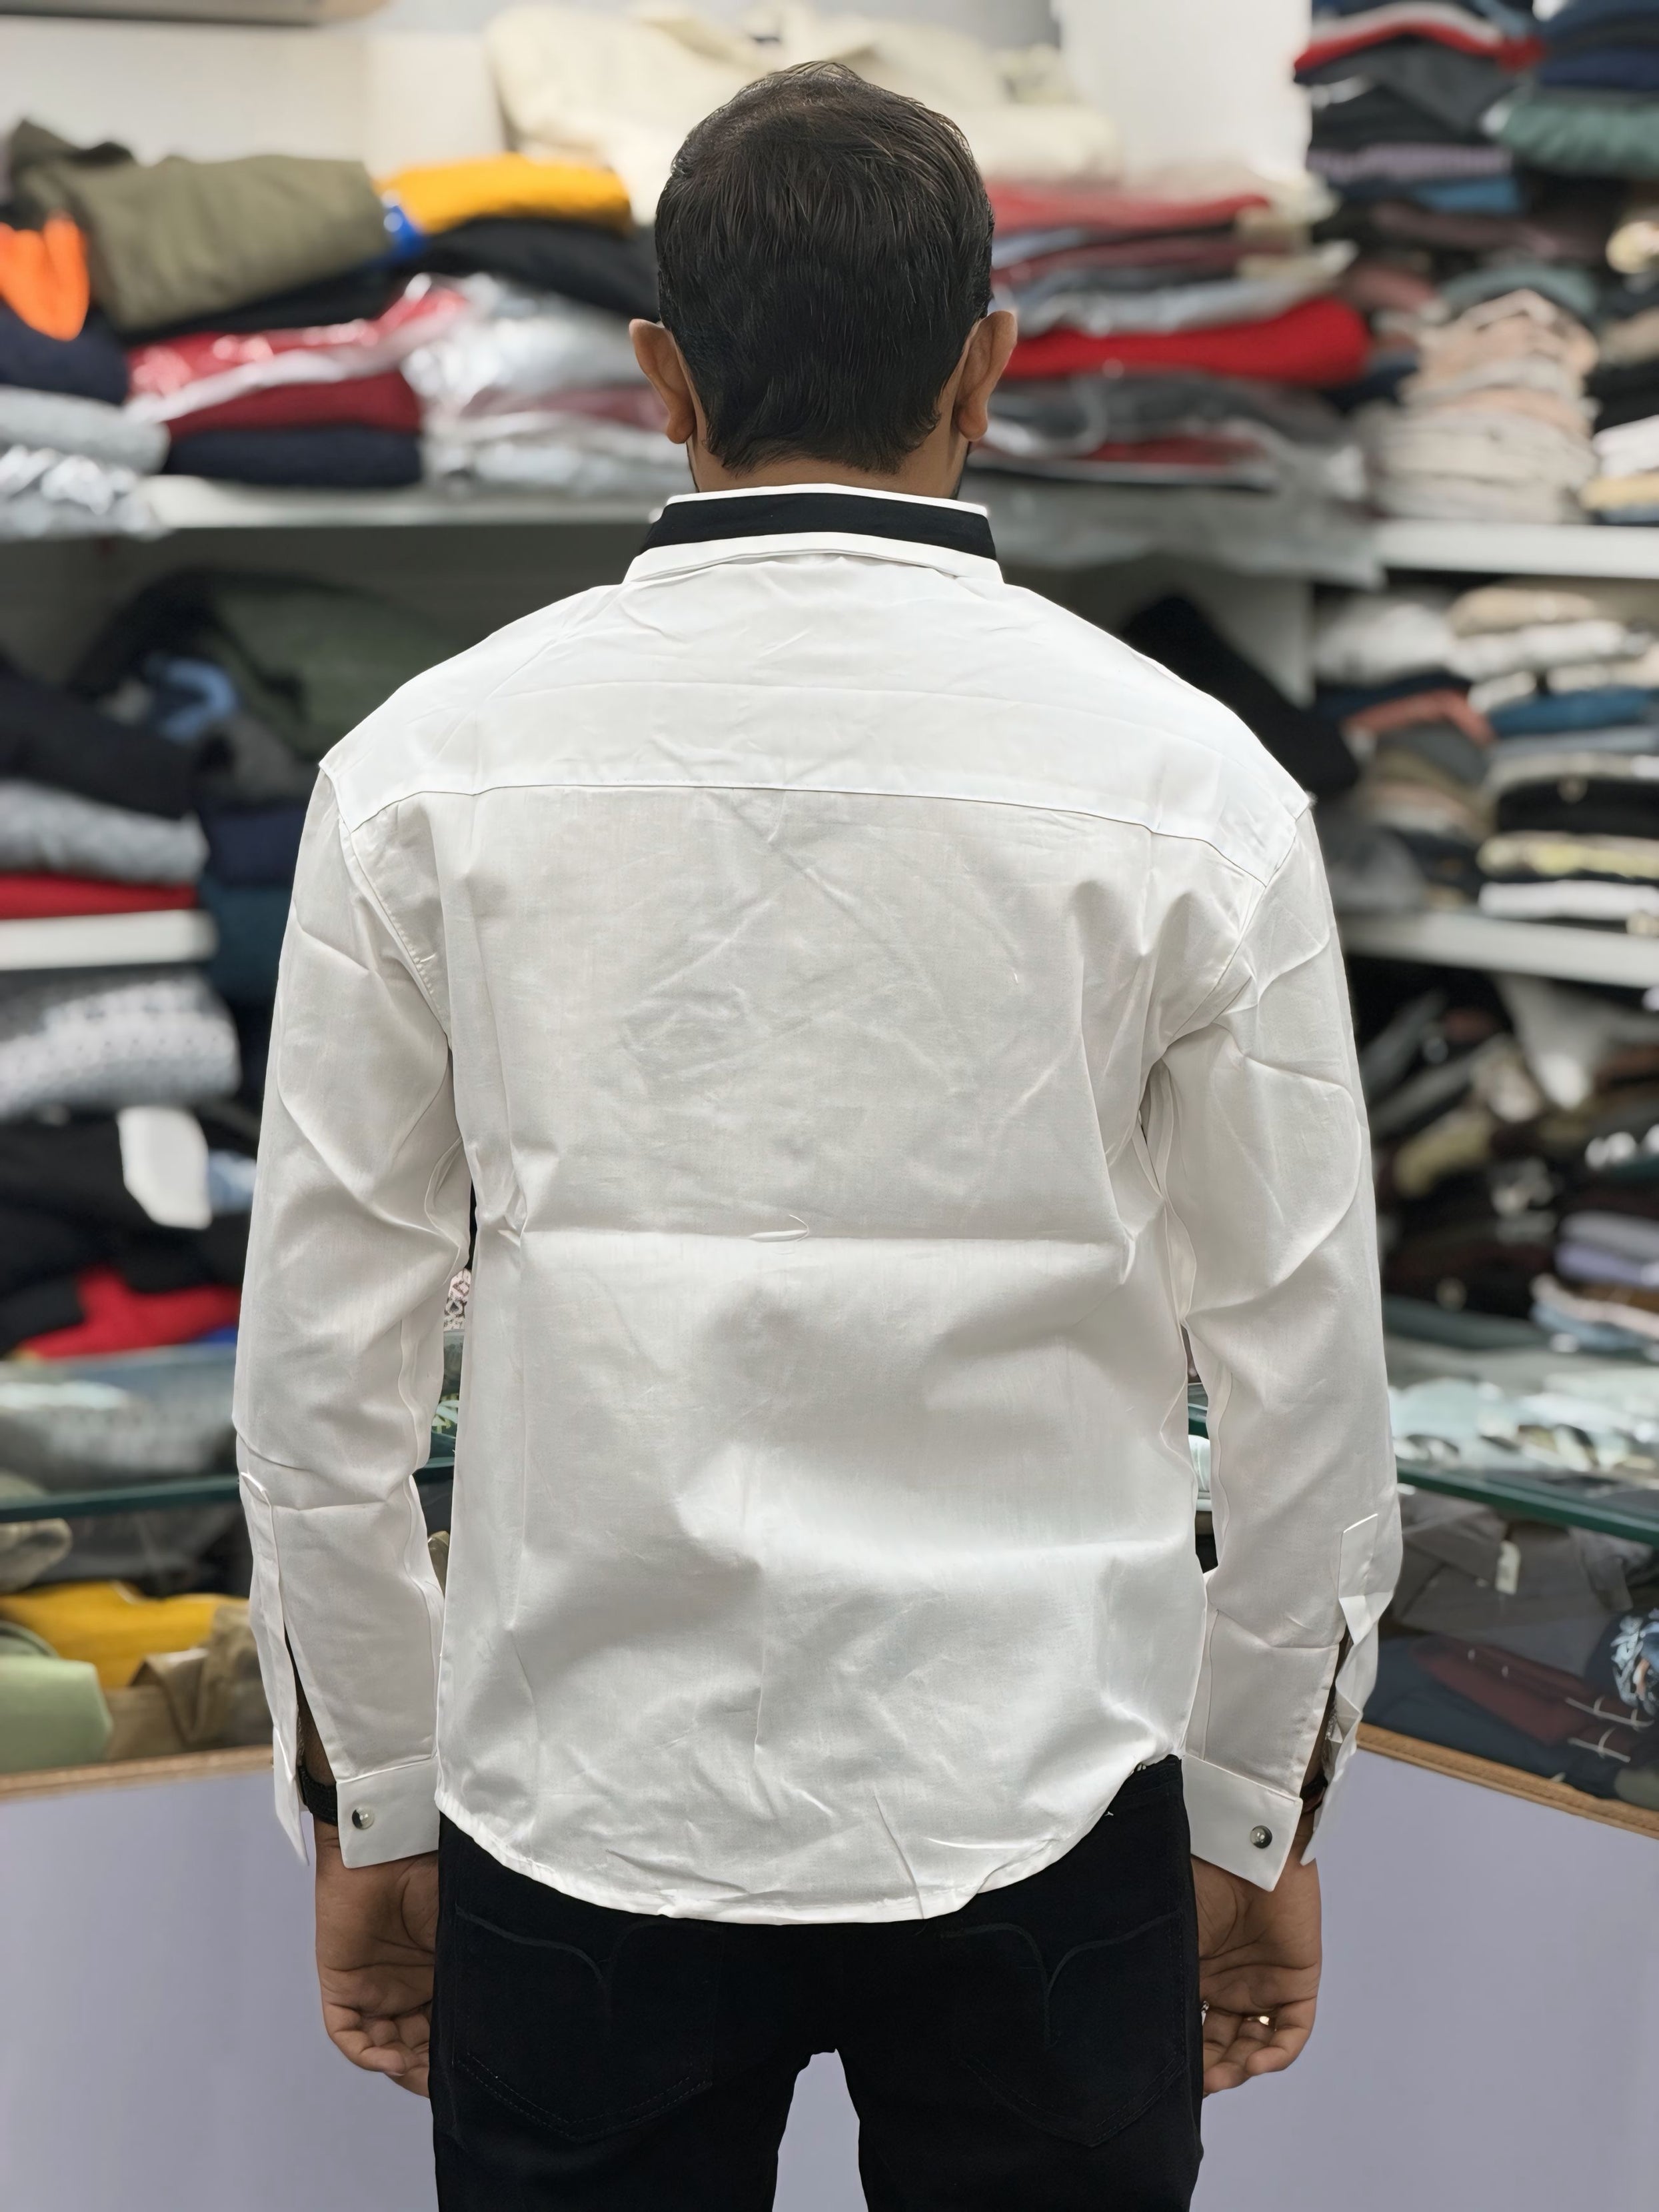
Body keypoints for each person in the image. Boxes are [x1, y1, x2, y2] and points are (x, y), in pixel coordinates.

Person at [234, 61, 1400, 2212]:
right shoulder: (1193, 786)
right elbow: (1303, 1374)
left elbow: (323, 1383)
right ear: (986, 370)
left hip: (581, 1789)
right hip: (1047, 1784)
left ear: (660, 379)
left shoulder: (420, 774)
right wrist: (1254, 1809)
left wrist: (373, 1802)